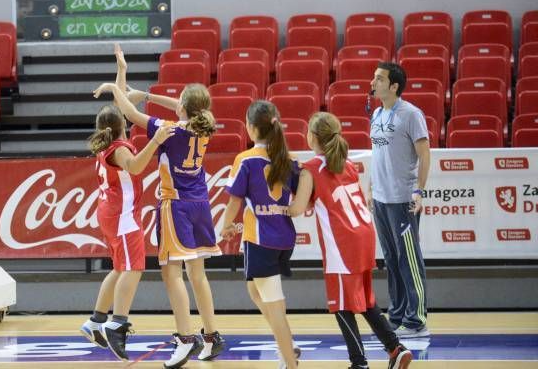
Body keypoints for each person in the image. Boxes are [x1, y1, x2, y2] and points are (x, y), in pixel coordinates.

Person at [95, 70, 225, 369]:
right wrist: (149, 96)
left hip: (176, 206)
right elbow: (186, 106)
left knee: (172, 275)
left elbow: (128, 113)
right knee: (198, 275)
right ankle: (212, 335)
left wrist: (115, 87)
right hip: (201, 204)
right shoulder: (205, 125)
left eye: (178, 102)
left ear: (182, 108)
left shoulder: (170, 129)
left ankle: (185, 338)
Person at [287, 112, 413, 369]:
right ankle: (395, 349)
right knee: (366, 300)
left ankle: (359, 363)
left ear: (311, 137)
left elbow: (298, 208)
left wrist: (276, 207)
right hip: (364, 236)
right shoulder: (346, 163)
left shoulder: (311, 169)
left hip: (343, 244)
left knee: (341, 306)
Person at [80, 103, 173, 361]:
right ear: (122, 124)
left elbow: (121, 106)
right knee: (134, 268)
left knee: (121, 268)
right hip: (122, 215)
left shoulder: (108, 143)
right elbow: (134, 167)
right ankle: (117, 324)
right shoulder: (119, 148)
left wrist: (120, 73)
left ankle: (96, 321)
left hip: (110, 212)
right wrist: (154, 141)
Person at [220, 100, 300, 369]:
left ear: (251, 128)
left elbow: (234, 201)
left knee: (273, 302)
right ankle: (287, 343)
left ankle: (288, 357)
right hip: (283, 238)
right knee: (255, 289)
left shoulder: (246, 159)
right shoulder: (288, 159)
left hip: (261, 239)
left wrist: (224, 225)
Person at [369, 62, 431, 338]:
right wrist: (371, 190)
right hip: (381, 200)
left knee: (409, 259)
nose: (373, 82)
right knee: (391, 259)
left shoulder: (411, 114)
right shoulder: (377, 113)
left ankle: (416, 320)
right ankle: (397, 315)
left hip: (403, 199)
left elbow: (425, 155)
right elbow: (377, 156)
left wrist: (419, 191)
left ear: (394, 86)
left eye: (379, 78)